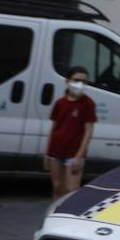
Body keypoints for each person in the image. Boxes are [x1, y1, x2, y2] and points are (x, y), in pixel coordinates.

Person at [45, 67, 97, 201]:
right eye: (77, 80)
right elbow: (53, 128)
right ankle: (54, 215)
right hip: (56, 152)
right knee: (57, 187)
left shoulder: (88, 104)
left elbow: (88, 131)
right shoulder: (60, 103)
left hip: (73, 153)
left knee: (71, 191)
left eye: (84, 81)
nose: (80, 84)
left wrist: (79, 156)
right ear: (68, 81)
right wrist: (47, 154)